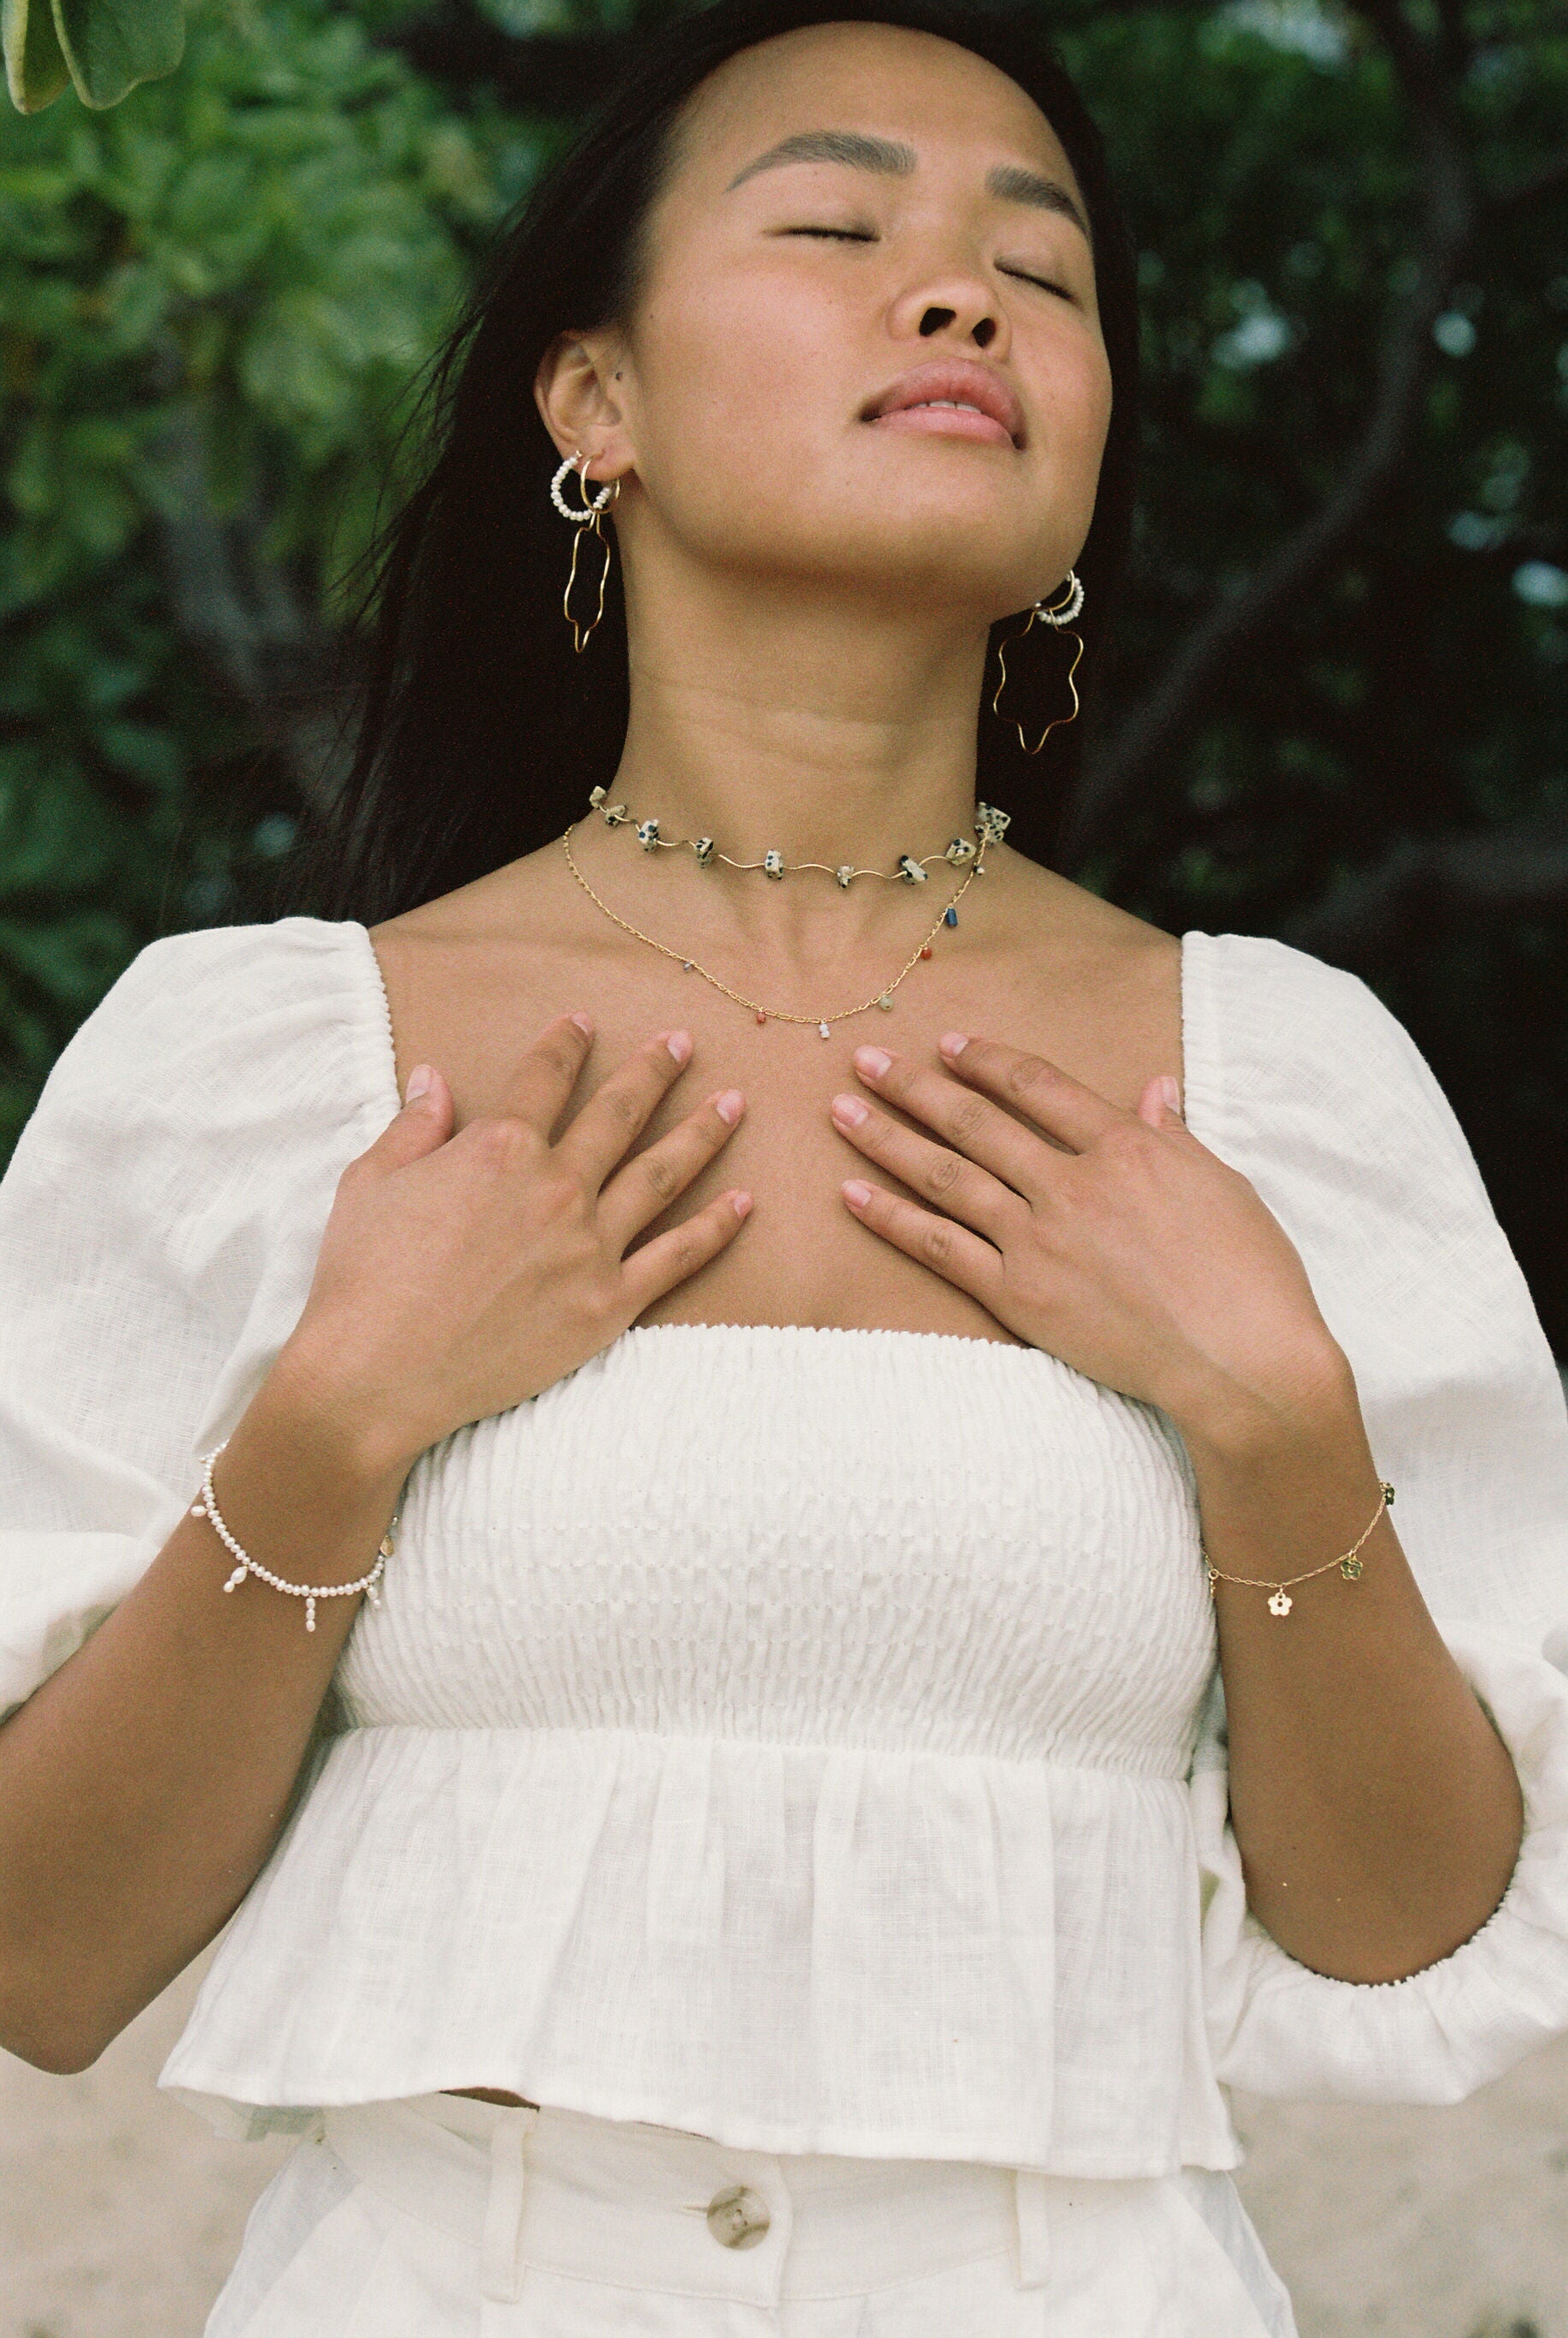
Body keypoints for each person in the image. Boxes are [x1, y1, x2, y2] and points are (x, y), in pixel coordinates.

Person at [1, 2, 1565, 2330]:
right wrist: (330, 1431)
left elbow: (1405, 1924)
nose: (963, 295)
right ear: (590, 401)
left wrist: (1275, 1425)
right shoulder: (264, 1072)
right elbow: (44, 1956)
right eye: (840, 225)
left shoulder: (1283, 1087)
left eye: (1040, 274)